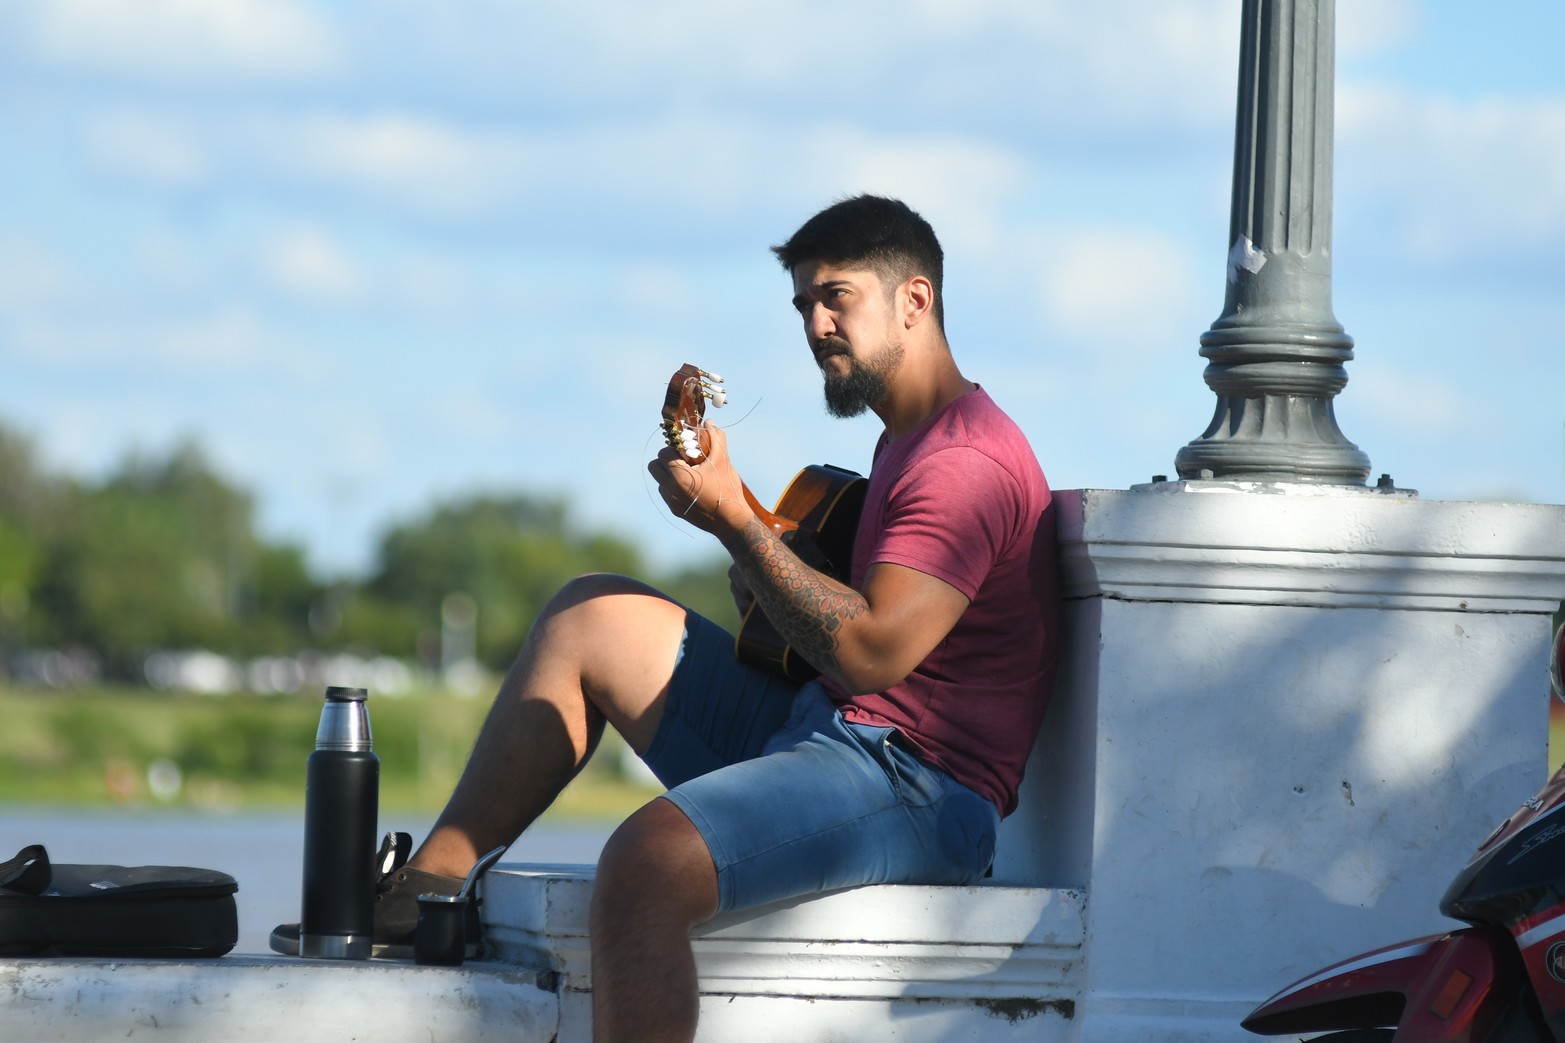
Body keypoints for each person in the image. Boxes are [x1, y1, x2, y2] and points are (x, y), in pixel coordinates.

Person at [275, 194, 1062, 1043]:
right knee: (590, 612)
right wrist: (761, 564)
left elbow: (872, 650)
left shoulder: (964, 463)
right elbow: (844, 634)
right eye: (803, 303)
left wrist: (734, 520)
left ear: (915, 300)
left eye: (837, 296)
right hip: (830, 727)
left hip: (917, 784)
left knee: (644, 866)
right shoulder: (903, 437)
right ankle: (429, 884)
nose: (816, 324)